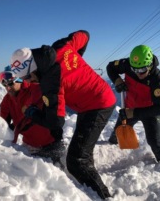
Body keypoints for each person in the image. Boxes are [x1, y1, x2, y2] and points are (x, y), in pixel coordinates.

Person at [9, 30, 116, 199]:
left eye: (28, 77)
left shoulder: (51, 82)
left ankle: (104, 197)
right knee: (81, 150)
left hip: (99, 106)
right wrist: (77, 60)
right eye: (23, 79)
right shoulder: (61, 46)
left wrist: (31, 112)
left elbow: (55, 122)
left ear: (34, 68)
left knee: (77, 161)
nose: (27, 82)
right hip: (95, 97)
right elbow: (84, 35)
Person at [107, 45, 160, 171]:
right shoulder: (128, 64)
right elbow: (110, 67)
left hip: (150, 111)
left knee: (154, 142)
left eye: (142, 70)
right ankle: (109, 152)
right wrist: (117, 80)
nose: (138, 73)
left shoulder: (157, 80)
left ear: (149, 65)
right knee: (117, 134)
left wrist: (133, 113)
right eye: (135, 69)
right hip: (130, 107)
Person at [0, 68, 65, 168]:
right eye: (5, 85)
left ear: (19, 80)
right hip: (29, 146)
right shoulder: (7, 100)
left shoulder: (36, 89)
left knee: (55, 176)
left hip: (51, 144)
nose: (8, 88)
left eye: (11, 84)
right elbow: (1, 122)